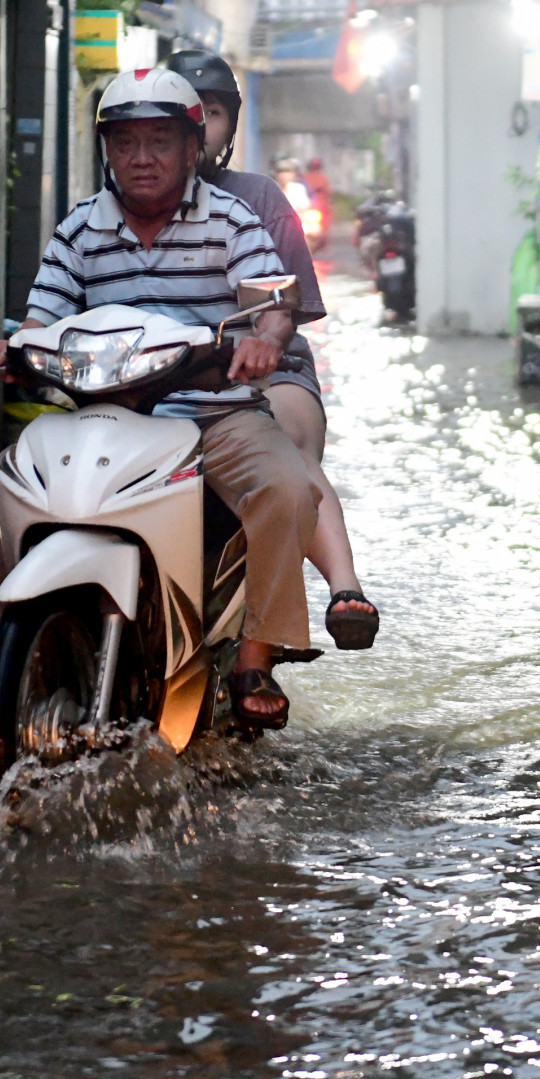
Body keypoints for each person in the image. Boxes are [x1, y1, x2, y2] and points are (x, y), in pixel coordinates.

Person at [0, 69, 322, 729]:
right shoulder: (79, 229)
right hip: (109, 414)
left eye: (161, 141)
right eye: (127, 143)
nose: (143, 157)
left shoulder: (231, 218)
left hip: (218, 414)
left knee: (288, 487)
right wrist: (11, 348)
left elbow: (273, 304)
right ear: (108, 151)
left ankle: (254, 656)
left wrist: (267, 337)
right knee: (6, 473)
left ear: (192, 149)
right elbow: (43, 318)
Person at [163, 48, 379, 649]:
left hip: (269, 371)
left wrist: (261, 343)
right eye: (185, 111)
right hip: (162, 378)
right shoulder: (108, 210)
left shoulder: (257, 199)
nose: (197, 126)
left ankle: (344, 587)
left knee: (286, 443)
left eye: (211, 112)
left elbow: (285, 311)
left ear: (228, 123)